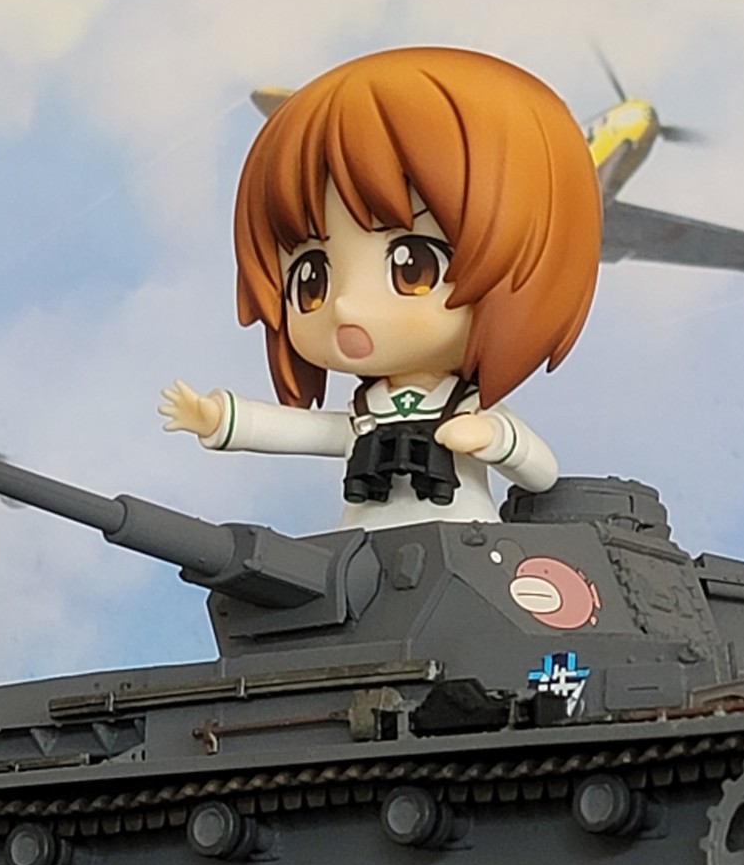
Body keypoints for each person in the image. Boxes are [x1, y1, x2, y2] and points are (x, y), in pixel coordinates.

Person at [160, 46, 601, 530]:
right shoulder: (367, 412)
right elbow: (308, 432)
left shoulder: (463, 406)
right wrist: (221, 420)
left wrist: (496, 439)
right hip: (362, 549)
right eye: (311, 279)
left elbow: (542, 472)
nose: (345, 305)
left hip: (463, 546)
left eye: (413, 269)